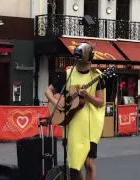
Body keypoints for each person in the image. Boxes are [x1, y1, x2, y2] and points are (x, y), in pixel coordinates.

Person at [45, 42, 106, 180]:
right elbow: (48, 91)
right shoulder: (67, 74)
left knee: (89, 164)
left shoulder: (97, 76)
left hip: (90, 126)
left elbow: (100, 102)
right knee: (73, 167)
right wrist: (56, 102)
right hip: (72, 125)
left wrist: (87, 95)